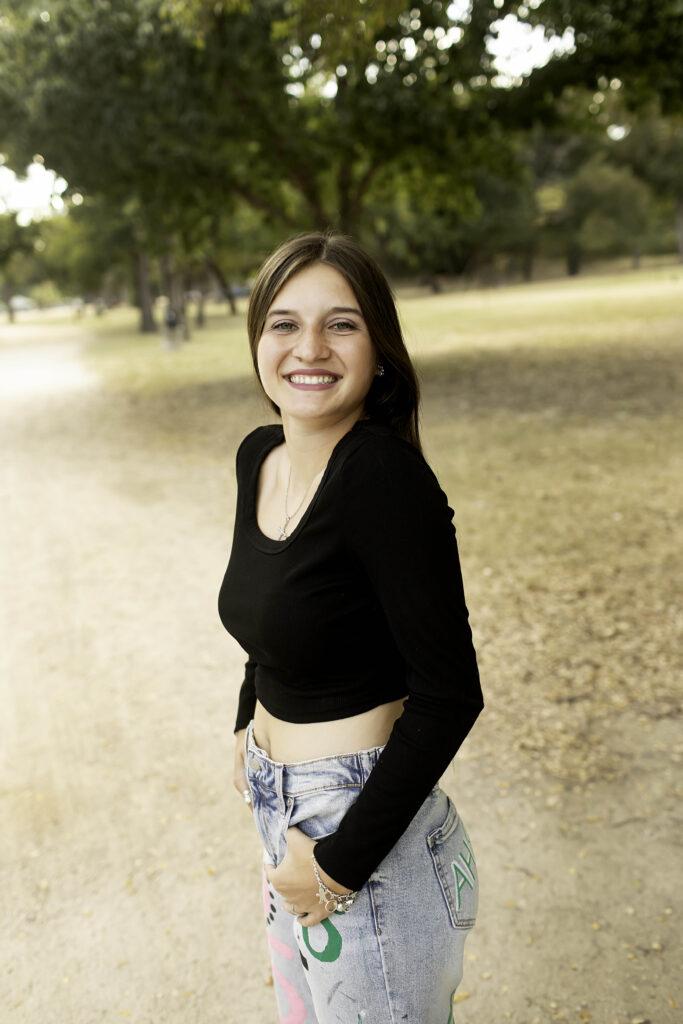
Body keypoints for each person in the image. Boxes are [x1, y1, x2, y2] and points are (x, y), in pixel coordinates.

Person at [217, 231, 484, 1023]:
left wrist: (337, 865)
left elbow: (449, 696)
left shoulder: (384, 479)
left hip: (361, 830)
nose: (309, 348)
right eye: (283, 323)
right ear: (257, 338)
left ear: (378, 351)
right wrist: (245, 722)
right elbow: (272, 618)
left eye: (342, 324)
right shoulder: (258, 455)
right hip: (282, 810)